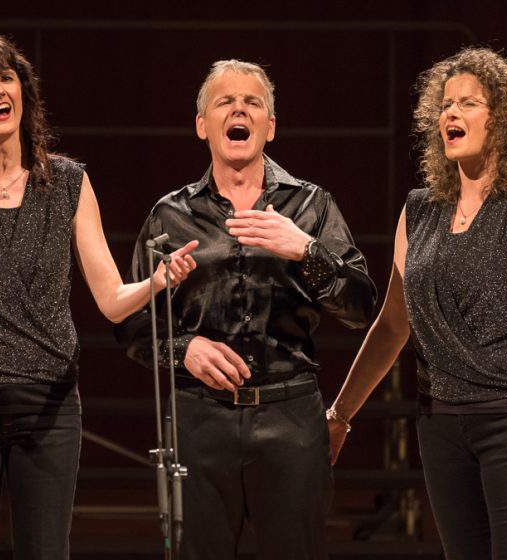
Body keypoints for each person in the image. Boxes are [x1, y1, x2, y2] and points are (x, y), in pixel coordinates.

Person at [0, 33, 197, 560]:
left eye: (7, 78)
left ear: (24, 93)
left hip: (49, 406)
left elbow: (111, 299)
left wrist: (157, 282)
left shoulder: (68, 182)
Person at [116, 59, 376, 559]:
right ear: (202, 125)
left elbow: (360, 307)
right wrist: (183, 349)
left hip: (290, 419)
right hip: (200, 418)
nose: (239, 109)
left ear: (270, 126)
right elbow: (130, 321)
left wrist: (306, 251)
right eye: (225, 102)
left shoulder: (311, 206)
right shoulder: (171, 214)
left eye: (252, 102)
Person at [327, 47, 507, 559]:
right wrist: (340, 414)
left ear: (503, 120)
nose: (450, 113)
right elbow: (392, 326)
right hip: (441, 421)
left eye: (468, 103)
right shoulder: (419, 210)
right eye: (445, 105)